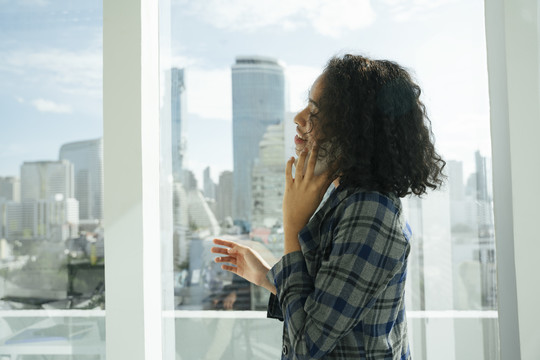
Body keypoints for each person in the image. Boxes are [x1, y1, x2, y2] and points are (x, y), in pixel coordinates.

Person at [211, 54, 446, 359]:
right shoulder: (348, 199)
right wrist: (266, 276)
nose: (298, 117)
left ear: (354, 129)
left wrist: (293, 226)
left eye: (316, 111)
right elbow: (330, 306)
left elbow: (306, 347)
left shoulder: (370, 213)